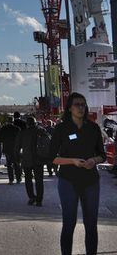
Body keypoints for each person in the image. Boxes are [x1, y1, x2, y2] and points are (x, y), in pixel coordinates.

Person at [50, 92, 106, 255]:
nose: (81, 108)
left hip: (90, 181)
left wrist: (93, 161)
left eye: (83, 104)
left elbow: (102, 155)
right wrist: (72, 161)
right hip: (68, 181)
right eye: (77, 105)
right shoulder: (61, 128)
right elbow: (52, 158)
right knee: (69, 223)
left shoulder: (93, 127)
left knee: (91, 224)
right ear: (69, 109)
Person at [15, 115, 48, 206]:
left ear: (27, 124)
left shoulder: (23, 132)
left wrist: (17, 158)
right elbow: (48, 142)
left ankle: (31, 197)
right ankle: (39, 200)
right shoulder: (41, 131)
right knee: (39, 180)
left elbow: (17, 147)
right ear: (35, 123)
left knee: (28, 180)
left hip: (27, 160)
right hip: (39, 159)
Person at [0, 115, 22, 184]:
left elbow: (0, 138)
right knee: (16, 164)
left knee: (9, 165)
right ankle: (18, 178)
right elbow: (19, 139)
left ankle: (11, 179)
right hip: (15, 148)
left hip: (7, 148)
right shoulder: (17, 129)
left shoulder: (3, 128)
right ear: (13, 121)